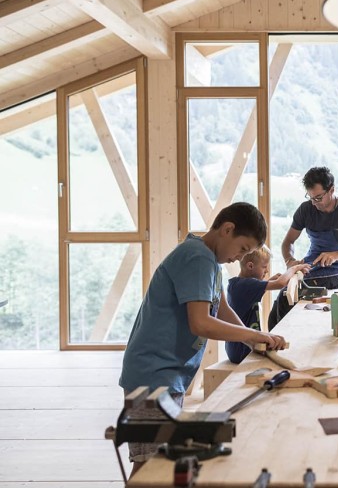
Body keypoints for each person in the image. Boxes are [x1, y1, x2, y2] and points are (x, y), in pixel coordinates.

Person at [118, 202, 286, 475]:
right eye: (242, 249)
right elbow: (201, 323)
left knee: (160, 462)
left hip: (165, 373)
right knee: (152, 467)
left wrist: (253, 340)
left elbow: (222, 308)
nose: (238, 257)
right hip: (153, 374)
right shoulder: (198, 259)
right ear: (227, 229)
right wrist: (253, 334)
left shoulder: (207, 258)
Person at [268, 166, 338, 330]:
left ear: (332, 190)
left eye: (319, 198)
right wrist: (290, 260)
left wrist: (336, 255)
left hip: (335, 270)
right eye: (311, 197)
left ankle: (284, 340)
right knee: (283, 296)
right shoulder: (305, 209)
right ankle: (272, 342)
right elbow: (288, 242)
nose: (315, 203)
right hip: (311, 264)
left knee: (292, 293)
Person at [225, 246, 310, 364]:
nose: (266, 271)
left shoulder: (240, 284)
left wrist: (269, 281)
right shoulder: (246, 285)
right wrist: (294, 268)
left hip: (239, 347)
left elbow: (259, 288)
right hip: (242, 349)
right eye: (264, 267)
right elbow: (280, 283)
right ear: (250, 266)